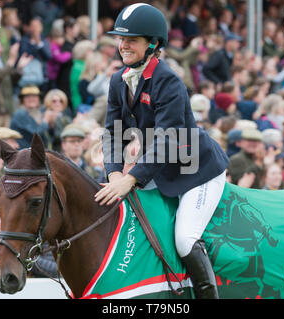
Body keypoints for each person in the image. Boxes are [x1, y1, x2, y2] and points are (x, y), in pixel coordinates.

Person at [96, 3, 229, 299]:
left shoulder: (169, 81)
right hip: (160, 170)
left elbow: (167, 140)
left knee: (184, 239)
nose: (123, 45)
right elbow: (113, 132)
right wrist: (115, 172)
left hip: (197, 172)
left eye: (131, 39)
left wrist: (130, 180)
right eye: (120, 38)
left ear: (153, 44)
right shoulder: (119, 80)